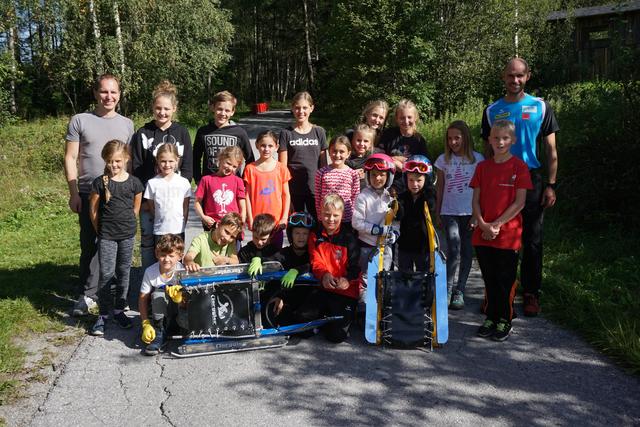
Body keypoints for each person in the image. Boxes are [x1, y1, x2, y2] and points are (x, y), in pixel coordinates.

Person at [481, 57, 559, 316]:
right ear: (503, 76)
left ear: (528, 77)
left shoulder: (541, 107)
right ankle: (498, 293)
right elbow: (487, 149)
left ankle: (531, 293)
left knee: (532, 240)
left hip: (531, 179)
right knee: (499, 237)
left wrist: (550, 185)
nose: (515, 80)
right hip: (499, 181)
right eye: (510, 75)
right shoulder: (492, 111)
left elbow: (550, 149)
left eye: (520, 76)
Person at [65, 74, 134, 316]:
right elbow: (70, 157)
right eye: (104, 92)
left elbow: (129, 161)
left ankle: (114, 291)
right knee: (91, 244)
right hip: (88, 192)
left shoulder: (127, 124)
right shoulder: (80, 120)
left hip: (119, 194)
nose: (109, 96)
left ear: (119, 95)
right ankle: (87, 295)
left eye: (113, 92)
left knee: (118, 242)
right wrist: (74, 193)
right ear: (95, 93)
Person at [471, 120, 533, 341]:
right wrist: (483, 224)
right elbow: (475, 201)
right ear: (490, 140)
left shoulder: (519, 167)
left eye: (505, 138)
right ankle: (491, 316)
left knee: (505, 279)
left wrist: (496, 225)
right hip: (483, 233)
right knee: (489, 278)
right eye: (496, 138)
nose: (500, 142)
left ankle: (505, 318)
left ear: (513, 141)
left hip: (507, 235)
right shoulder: (482, 167)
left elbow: (520, 203)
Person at [132, 80, 193, 270]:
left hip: (173, 200)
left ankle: (175, 280)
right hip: (148, 198)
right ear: (152, 108)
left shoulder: (182, 132)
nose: (162, 112)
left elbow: (188, 165)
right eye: (158, 108)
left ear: (174, 109)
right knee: (150, 241)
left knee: (174, 243)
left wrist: (182, 193)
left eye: (166, 108)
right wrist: (142, 199)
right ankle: (150, 279)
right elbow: (137, 166)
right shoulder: (143, 133)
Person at [88, 140, 144, 336]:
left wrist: (130, 221)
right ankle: (103, 314)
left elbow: (136, 207)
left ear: (126, 159)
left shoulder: (134, 183)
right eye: (110, 161)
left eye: (118, 161)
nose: (114, 165)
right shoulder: (99, 183)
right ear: (105, 160)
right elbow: (93, 210)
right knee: (106, 274)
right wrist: (101, 230)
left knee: (123, 273)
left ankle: (119, 309)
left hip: (127, 235)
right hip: (107, 236)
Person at [434, 121, 484, 310]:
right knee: (453, 250)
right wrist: (437, 212)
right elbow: (440, 188)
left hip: (470, 212)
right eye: (450, 138)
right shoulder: (442, 160)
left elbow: (482, 189)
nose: (453, 142)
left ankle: (460, 290)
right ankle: (447, 289)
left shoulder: (478, 160)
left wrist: (477, 215)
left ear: (465, 137)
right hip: (449, 211)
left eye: (457, 138)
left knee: (466, 251)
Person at [309, 194, 361, 343]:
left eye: (335, 215)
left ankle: (339, 318)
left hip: (346, 293)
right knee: (302, 319)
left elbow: (356, 268)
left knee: (336, 336)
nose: (331, 219)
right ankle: (325, 318)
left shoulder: (350, 238)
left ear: (342, 215)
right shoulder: (315, 235)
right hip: (323, 288)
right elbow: (316, 262)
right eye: (326, 215)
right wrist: (324, 275)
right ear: (320, 213)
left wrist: (347, 280)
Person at [352, 153, 398, 293]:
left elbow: (396, 221)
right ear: (368, 176)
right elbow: (357, 223)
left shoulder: (391, 197)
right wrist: (378, 230)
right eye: (373, 174)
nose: (377, 178)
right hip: (367, 246)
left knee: (384, 278)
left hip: (385, 248)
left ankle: (383, 308)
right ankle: (364, 309)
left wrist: (395, 234)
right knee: (366, 280)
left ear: (388, 177)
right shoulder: (363, 197)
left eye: (382, 175)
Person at [278, 91, 327, 218]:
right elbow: (282, 168)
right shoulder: (286, 133)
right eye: (297, 108)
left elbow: (324, 166)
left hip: (314, 189)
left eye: (305, 107)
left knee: (316, 228)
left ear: (311, 108)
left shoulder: (319, 132)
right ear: (292, 109)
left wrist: (324, 191)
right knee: (295, 229)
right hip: (293, 190)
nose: (301, 111)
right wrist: (284, 194)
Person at [264, 212, 315, 327]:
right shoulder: (284, 253)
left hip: (307, 299)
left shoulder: (312, 254)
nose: (300, 237)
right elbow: (270, 261)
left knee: (304, 327)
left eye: (304, 233)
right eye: (297, 233)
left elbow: (311, 265)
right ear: (291, 234)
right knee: (277, 322)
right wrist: (258, 259)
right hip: (287, 298)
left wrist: (296, 270)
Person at [138, 234, 186, 356]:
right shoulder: (150, 271)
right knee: (158, 293)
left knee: (186, 297)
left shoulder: (183, 272)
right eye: (163, 255)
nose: (166, 259)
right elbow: (143, 299)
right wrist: (145, 323)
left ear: (180, 256)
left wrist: (181, 298)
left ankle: (185, 330)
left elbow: (192, 301)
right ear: (157, 254)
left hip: (179, 310)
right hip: (160, 312)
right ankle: (159, 332)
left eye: (171, 255)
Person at [193, 90, 253, 184]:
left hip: (232, 184)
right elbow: (195, 158)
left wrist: (243, 180)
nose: (223, 113)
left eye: (227, 110)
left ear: (232, 112)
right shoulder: (203, 132)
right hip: (209, 184)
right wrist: (198, 179)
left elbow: (250, 159)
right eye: (219, 109)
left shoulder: (239, 133)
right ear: (213, 107)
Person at [244, 130, 291, 249]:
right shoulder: (250, 169)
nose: (266, 149)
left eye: (270, 146)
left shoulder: (281, 168)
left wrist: (284, 217)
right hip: (257, 221)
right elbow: (247, 196)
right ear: (257, 146)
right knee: (258, 252)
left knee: (275, 252)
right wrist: (249, 218)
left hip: (276, 221)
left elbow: (286, 195)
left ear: (276, 147)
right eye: (263, 145)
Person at [143, 143, 192, 247]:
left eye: (171, 161)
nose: (167, 165)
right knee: (161, 259)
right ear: (157, 161)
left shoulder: (184, 182)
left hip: (178, 229)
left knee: (177, 258)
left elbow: (186, 207)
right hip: (160, 230)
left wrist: (183, 224)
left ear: (177, 161)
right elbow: (152, 208)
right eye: (163, 161)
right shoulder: (152, 183)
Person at [377, 99, 430, 194]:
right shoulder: (389, 135)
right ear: (397, 118)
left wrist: (405, 166)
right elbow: (378, 154)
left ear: (415, 118)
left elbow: (425, 166)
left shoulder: (419, 140)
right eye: (402, 118)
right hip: (388, 185)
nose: (406, 121)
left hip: (411, 188)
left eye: (409, 117)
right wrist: (392, 160)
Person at [397, 155, 436, 274]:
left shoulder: (429, 196)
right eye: (411, 180)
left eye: (419, 180)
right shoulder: (402, 197)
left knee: (424, 277)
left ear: (427, 180)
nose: (415, 184)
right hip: (404, 245)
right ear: (405, 180)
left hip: (423, 246)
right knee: (404, 276)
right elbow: (398, 216)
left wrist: (429, 193)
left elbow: (431, 206)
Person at [194, 146, 246, 231]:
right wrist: (203, 217)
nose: (230, 168)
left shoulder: (238, 181)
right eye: (228, 163)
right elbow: (197, 202)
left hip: (232, 226)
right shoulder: (206, 180)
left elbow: (242, 205)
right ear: (221, 159)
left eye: (234, 166)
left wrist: (241, 222)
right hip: (212, 226)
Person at [314, 136, 360, 224]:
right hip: (327, 219)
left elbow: (355, 198)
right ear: (329, 152)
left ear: (348, 153)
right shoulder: (321, 173)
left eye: (342, 152)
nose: (337, 155)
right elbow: (318, 197)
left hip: (346, 219)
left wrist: (354, 218)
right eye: (334, 151)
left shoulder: (353, 174)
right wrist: (320, 217)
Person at [346, 124, 379, 190]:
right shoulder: (347, 157)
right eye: (358, 140)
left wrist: (367, 174)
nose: (362, 144)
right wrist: (353, 174)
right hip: (350, 191)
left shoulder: (376, 156)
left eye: (366, 141)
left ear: (370, 144)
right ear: (352, 141)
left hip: (369, 193)